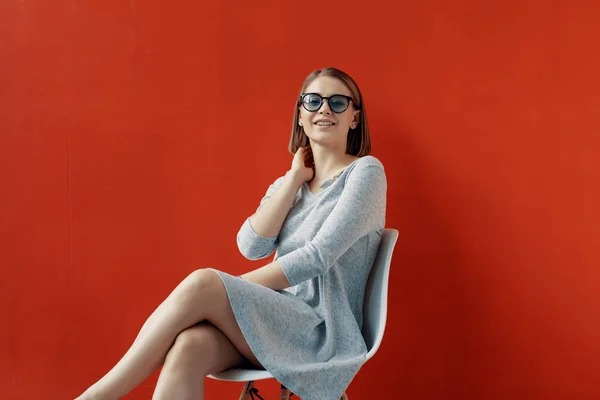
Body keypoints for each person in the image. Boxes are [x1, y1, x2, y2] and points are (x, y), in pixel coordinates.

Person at [75, 67, 387, 400]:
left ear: (354, 118)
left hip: (320, 332)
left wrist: (226, 289)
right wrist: (294, 179)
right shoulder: (287, 184)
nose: (324, 109)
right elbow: (251, 245)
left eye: (338, 102)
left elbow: (317, 256)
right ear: (300, 115)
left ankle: (96, 397)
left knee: (203, 283)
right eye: (313, 101)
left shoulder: (365, 172)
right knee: (189, 346)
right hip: (273, 319)